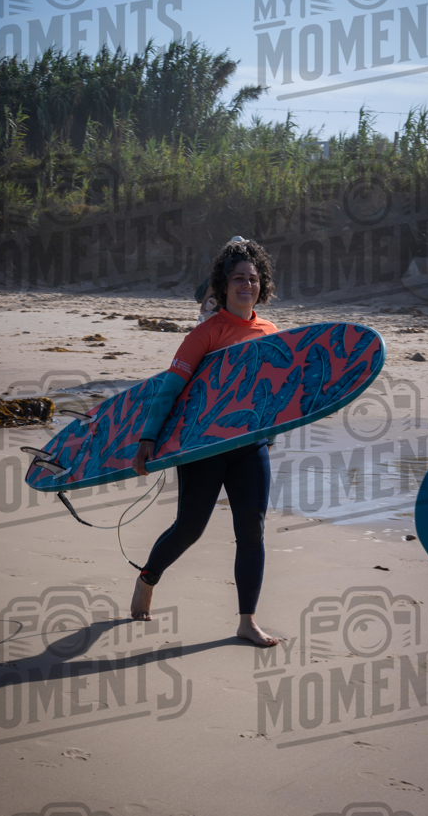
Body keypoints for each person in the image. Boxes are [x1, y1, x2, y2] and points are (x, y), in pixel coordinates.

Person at [131, 237, 280, 647]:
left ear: (261, 286)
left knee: (252, 531)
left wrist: (271, 433)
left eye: (252, 279)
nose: (246, 285)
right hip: (202, 446)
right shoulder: (206, 333)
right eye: (237, 279)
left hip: (250, 446)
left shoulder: (271, 332)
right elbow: (171, 388)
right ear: (223, 285)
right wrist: (148, 436)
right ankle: (148, 577)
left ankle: (246, 621)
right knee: (190, 528)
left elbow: (276, 393)